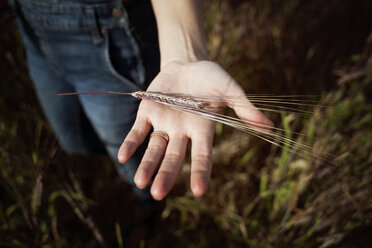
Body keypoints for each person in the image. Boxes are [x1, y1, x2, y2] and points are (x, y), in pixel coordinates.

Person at [12, 0, 272, 207]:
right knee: (74, 138)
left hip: (108, 29)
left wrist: (185, 56)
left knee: (127, 150)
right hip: (31, 27)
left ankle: (146, 202)